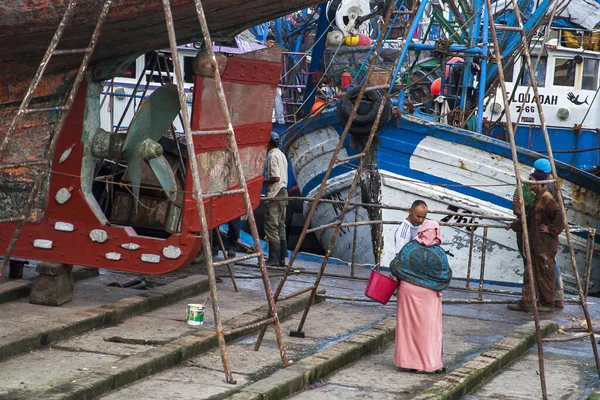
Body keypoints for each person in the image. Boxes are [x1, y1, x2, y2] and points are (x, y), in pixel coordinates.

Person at [391, 219, 450, 374]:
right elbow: (445, 276)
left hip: (407, 291)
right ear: (437, 233)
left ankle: (410, 362)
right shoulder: (439, 253)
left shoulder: (409, 248)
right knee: (429, 329)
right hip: (429, 294)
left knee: (408, 327)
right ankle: (431, 363)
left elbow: (395, 266)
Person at [507, 169, 564, 312]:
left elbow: (560, 218)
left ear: (538, 183)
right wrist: (514, 225)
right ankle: (526, 302)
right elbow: (529, 220)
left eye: (532, 180)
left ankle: (547, 303)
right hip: (536, 242)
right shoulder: (537, 199)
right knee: (530, 272)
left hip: (545, 243)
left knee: (545, 272)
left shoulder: (547, 199)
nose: (529, 183)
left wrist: (550, 230)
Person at [533, 158, 565, 308]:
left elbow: (559, 215)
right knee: (549, 263)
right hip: (547, 232)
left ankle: (553, 297)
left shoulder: (548, 189)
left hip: (547, 235)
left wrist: (550, 229)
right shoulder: (555, 184)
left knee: (549, 265)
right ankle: (554, 296)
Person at [264, 132, 288, 266]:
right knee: (281, 226)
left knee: (272, 226)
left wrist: (261, 181)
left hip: (275, 193)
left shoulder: (272, 156)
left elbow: (275, 177)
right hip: (284, 192)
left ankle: (273, 259)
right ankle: (282, 260)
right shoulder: (282, 155)